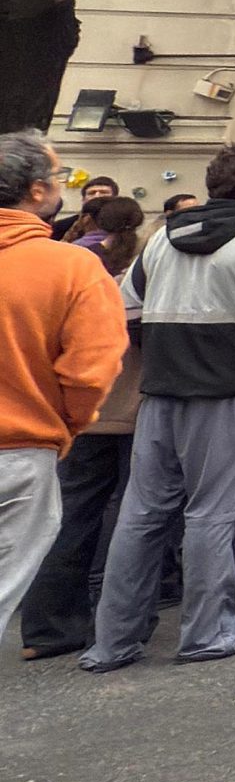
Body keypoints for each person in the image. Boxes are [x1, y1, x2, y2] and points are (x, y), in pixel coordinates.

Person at [82, 139, 235, 673]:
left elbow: (126, 312)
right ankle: (209, 631)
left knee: (142, 514)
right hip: (231, 393)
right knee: (217, 512)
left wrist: (168, 353)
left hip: (161, 391)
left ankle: (113, 640)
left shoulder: (162, 239)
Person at [0, 134, 126, 645]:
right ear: (35, 190)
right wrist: (67, 426)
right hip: (21, 449)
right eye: (57, 178)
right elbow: (90, 371)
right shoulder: (70, 266)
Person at [19, 196, 146, 657]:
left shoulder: (64, 264)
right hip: (129, 409)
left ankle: (46, 629)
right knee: (132, 517)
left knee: (69, 519)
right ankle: (117, 622)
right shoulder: (130, 277)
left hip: (83, 418)